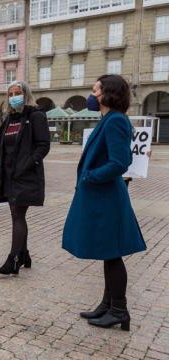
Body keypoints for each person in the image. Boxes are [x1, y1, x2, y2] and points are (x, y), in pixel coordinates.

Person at [63, 75, 146, 331]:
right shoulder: (109, 119)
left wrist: (91, 176)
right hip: (102, 196)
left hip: (106, 197)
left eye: (95, 90)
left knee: (112, 254)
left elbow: (120, 162)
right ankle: (108, 304)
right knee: (108, 253)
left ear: (107, 93)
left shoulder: (116, 121)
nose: (92, 95)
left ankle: (119, 310)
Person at [0, 80, 50, 275]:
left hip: (25, 175)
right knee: (16, 216)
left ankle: (13, 260)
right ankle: (24, 254)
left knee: (18, 215)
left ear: (26, 94)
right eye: (10, 94)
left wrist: (28, 163)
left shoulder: (35, 116)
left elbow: (43, 145)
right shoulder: (10, 119)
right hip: (9, 175)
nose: (13, 97)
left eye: (17, 93)